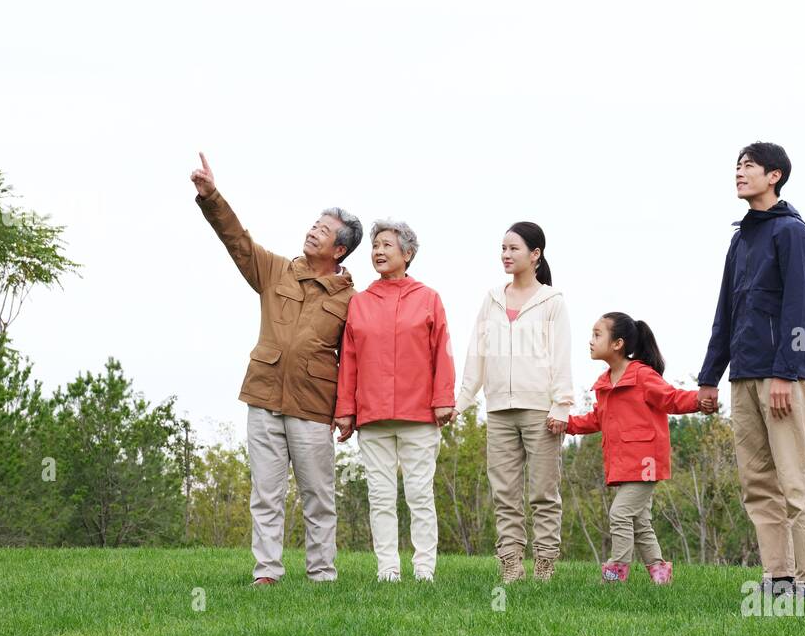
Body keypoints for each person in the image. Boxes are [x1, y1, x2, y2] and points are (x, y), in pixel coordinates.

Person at [190, 152, 362, 585]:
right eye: (313, 224)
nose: (312, 231)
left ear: (339, 249)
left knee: (318, 496)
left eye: (322, 230)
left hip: (312, 406)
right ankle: (267, 572)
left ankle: (322, 573)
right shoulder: (276, 271)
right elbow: (238, 241)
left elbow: (357, 360)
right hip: (264, 396)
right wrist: (212, 197)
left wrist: (348, 410)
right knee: (265, 494)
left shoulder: (350, 300)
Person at [696, 141, 805, 598]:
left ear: (774, 175)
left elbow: (799, 307)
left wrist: (787, 371)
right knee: (757, 482)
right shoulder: (740, 238)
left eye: (748, 166)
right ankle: (778, 577)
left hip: (780, 376)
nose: (739, 172)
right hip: (743, 377)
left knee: (795, 478)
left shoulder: (791, 232)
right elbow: (726, 312)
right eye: (736, 166)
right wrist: (709, 377)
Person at [333, 221, 456, 582]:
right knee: (381, 497)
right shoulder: (360, 302)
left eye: (387, 245)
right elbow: (349, 359)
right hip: (372, 417)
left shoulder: (428, 298)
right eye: (375, 245)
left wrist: (443, 399)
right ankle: (387, 569)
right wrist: (345, 410)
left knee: (420, 495)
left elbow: (442, 353)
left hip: (418, 414)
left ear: (408, 254)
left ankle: (424, 570)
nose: (379, 251)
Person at [455, 223, 573, 583]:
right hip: (498, 410)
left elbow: (561, 356)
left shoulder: (552, 301)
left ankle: (545, 563)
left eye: (513, 249)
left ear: (535, 255)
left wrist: (562, 405)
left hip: (541, 410)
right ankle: (510, 563)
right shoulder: (491, 299)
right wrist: (461, 401)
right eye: (502, 248)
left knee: (542, 492)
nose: (506, 255)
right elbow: (477, 353)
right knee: (504, 492)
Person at [565, 313, 706, 584]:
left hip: (646, 463)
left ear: (617, 343)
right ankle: (661, 575)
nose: (590, 341)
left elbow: (671, 398)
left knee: (619, 514)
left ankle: (616, 572)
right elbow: (597, 419)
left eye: (597, 335)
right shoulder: (606, 383)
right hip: (622, 464)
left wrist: (699, 401)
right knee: (640, 523)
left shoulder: (642, 375)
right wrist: (567, 424)